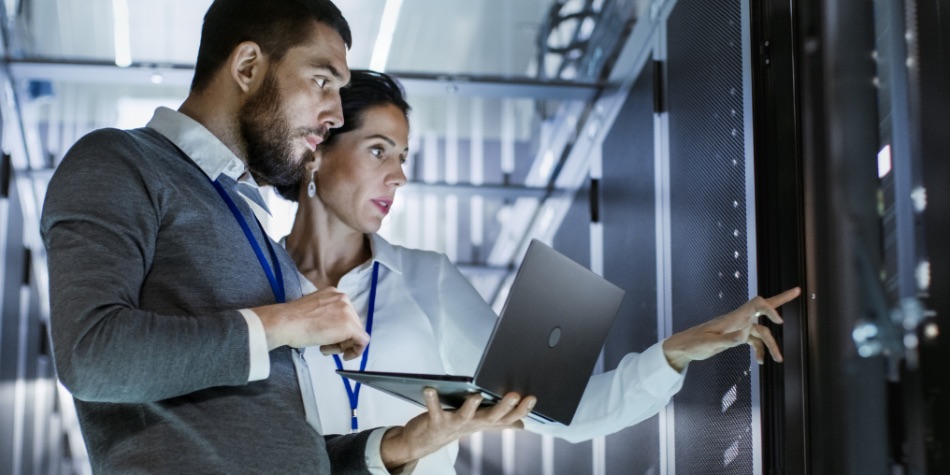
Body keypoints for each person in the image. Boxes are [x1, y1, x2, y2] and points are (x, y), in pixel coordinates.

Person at [39, 1, 534, 474]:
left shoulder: (247, 219)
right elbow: (91, 356)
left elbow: (278, 447)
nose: (336, 114)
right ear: (249, 66)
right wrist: (285, 322)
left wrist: (406, 443)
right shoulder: (121, 161)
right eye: (322, 81)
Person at [276, 70, 801, 473]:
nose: (400, 175)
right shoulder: (256, 287)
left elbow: (564, 414)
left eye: (403, 156)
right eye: (378, 151)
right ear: (316, 152)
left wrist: (679, 350)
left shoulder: (425, 280)